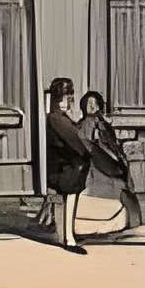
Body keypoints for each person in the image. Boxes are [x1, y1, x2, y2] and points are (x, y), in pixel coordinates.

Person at [74, 89, 139, 240]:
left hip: (102, 164)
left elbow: (108, 145)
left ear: (98, 106)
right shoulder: (81, 124)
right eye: (87, 103)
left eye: (93, 103)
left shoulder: (100, 125)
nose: (90, 106)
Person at [42, 77, 92, 254]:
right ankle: (68, 238)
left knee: (72, 189)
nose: (66, 101)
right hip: (63, 171)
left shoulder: (58, 118)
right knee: (71, 191)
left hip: (62, 168)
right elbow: (77, 142)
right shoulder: (57, 119)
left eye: (68, 96)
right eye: (64, 96)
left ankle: (66, 235)